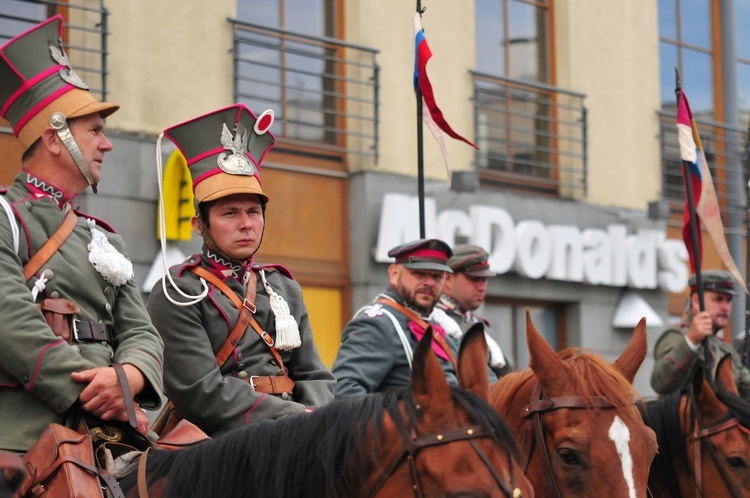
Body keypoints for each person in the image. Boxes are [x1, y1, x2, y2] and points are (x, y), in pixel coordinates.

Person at [0, 16, 164, 452]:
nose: (106, 145)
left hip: (111, 434)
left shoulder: (105, 238)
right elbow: (9, 320)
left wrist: (128, 378)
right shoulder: (5, 216)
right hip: (27, 437)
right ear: (55, 139)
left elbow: (141, 331)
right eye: (94, 131)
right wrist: (92, 395)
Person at [146, 104, 335, 437]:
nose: (246, 224)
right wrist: (294, 418)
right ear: (199, 225)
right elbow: (199, 393)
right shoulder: (179, 292)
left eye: (253, 211)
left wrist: (315, 419)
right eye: (229, 213)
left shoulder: (283, 287)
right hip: (221, 442)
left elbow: (316, 377)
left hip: (297, 434)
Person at [332, 238, 459, 396]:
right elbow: (345, 391)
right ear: (394, 274)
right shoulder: (377, 324)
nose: (429, 283)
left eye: (437, 276)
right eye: (419, 273)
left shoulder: (439, 324)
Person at [651, 269, 750, 400]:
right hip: (685, 419)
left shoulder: (725, 347)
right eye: (719, 299)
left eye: (729, 300)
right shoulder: (677, 336)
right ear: (696, 301)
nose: (726, 307)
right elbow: (660, 382)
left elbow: (746, 388)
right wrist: (691, 341)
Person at [435, 244, 512, 378]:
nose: (482, 287)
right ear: (447, 279)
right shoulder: (434, 319)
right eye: (474, 279)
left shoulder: (474, 322)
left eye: (484, 280)